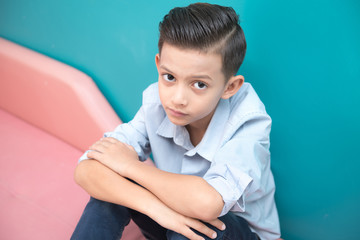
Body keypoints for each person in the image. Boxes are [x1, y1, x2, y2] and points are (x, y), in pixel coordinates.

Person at [71, 3, 281, 240]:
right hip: (171, 219)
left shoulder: (249, 121)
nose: (177, 99)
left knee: (194, 226)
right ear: (159, 65)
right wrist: (158, 210)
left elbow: (207, 204)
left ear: (229, 87)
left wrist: (129, 166)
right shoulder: (157, 102)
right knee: (110, 190)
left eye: (199, 84)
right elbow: (87, 169)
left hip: (235, 232)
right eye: (169, 77)